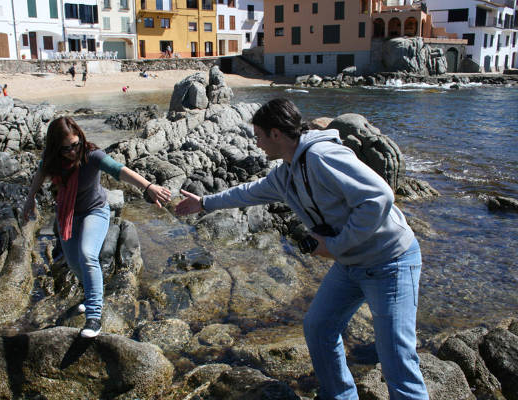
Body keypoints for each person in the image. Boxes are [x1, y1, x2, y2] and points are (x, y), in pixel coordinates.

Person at [175, 98, 429, 400]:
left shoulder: (322, 155)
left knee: (396, 356)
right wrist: (204, 203)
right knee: (319, 327)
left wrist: (334, 245)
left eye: (258, 136)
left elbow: (379, 197)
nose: (256, 144)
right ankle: (340, 396)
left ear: (276, 134)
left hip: (391, 261)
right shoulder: (286, 173)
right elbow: (248, 192)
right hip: (351, 265)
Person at [23, 116, 171, 338]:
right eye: (66, 149)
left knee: (87, 255)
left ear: (81, 139)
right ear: (56, 148)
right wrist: (30, 198)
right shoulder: (52, 159)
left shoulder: (91, 155)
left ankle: (94, 316)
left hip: (95, 211)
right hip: (68, 213)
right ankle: (92, 294)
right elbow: (41, 173)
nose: (72, 152)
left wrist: (148, 186)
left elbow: (119, 169)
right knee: (74, 264)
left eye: (76, 145)